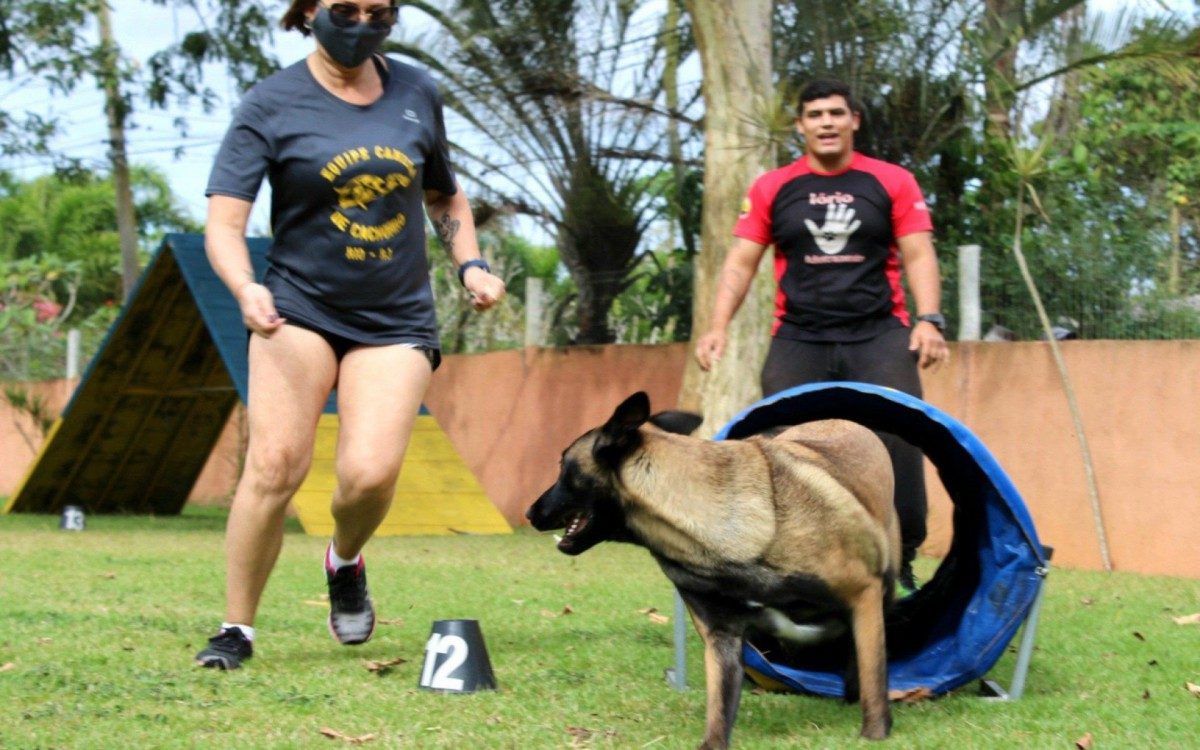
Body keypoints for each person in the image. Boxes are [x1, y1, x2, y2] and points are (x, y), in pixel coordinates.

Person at [194, 0, 506, 669]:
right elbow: (224, 222)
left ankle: (345, 557)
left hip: (395, 318)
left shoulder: (417, 91)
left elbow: (443, 194)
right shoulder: (270, 103)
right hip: (297, 309)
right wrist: (246, 285)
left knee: (368, 475)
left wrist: (471, 263)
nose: (361, 24)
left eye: (379, 12)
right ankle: (236, 630)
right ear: (308, 11)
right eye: (345, 9)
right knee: (276, 465)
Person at [694, 78, 948, 592]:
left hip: (878, 333)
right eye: (815, 115)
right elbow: (741, 264)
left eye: (836, 113)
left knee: (900, 437)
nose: (826, 122)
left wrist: (930, 318)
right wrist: (716, 327)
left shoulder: (892, 181)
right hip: (800, 337)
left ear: (854, 121)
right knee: (783, 446)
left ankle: (902, 554)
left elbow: (918, 252)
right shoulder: (773, 188)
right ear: (801, 126)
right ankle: (793, 563)